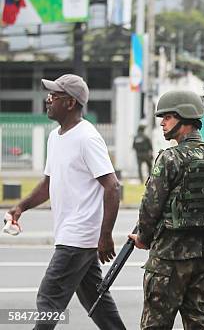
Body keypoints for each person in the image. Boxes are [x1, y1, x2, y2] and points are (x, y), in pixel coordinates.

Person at [7, 74, 125, 330]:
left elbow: (113, 186)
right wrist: (21, 207)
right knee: (97, 302)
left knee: (48, 298)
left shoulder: (87, 138)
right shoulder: (55, 137)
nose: (47, 100)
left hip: (78, 236)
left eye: (53, 96)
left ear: (70, 103)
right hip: (73, 235)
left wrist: (105, 235)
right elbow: (49, 183)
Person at [129, 90, 204, 330]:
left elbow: (150, 207)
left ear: (184, 119)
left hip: (168, 258)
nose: (162, 122)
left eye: (168, 117)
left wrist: (143, 238)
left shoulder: (170, 158)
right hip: (201, 258)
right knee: (198, 321)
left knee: (155, 323)